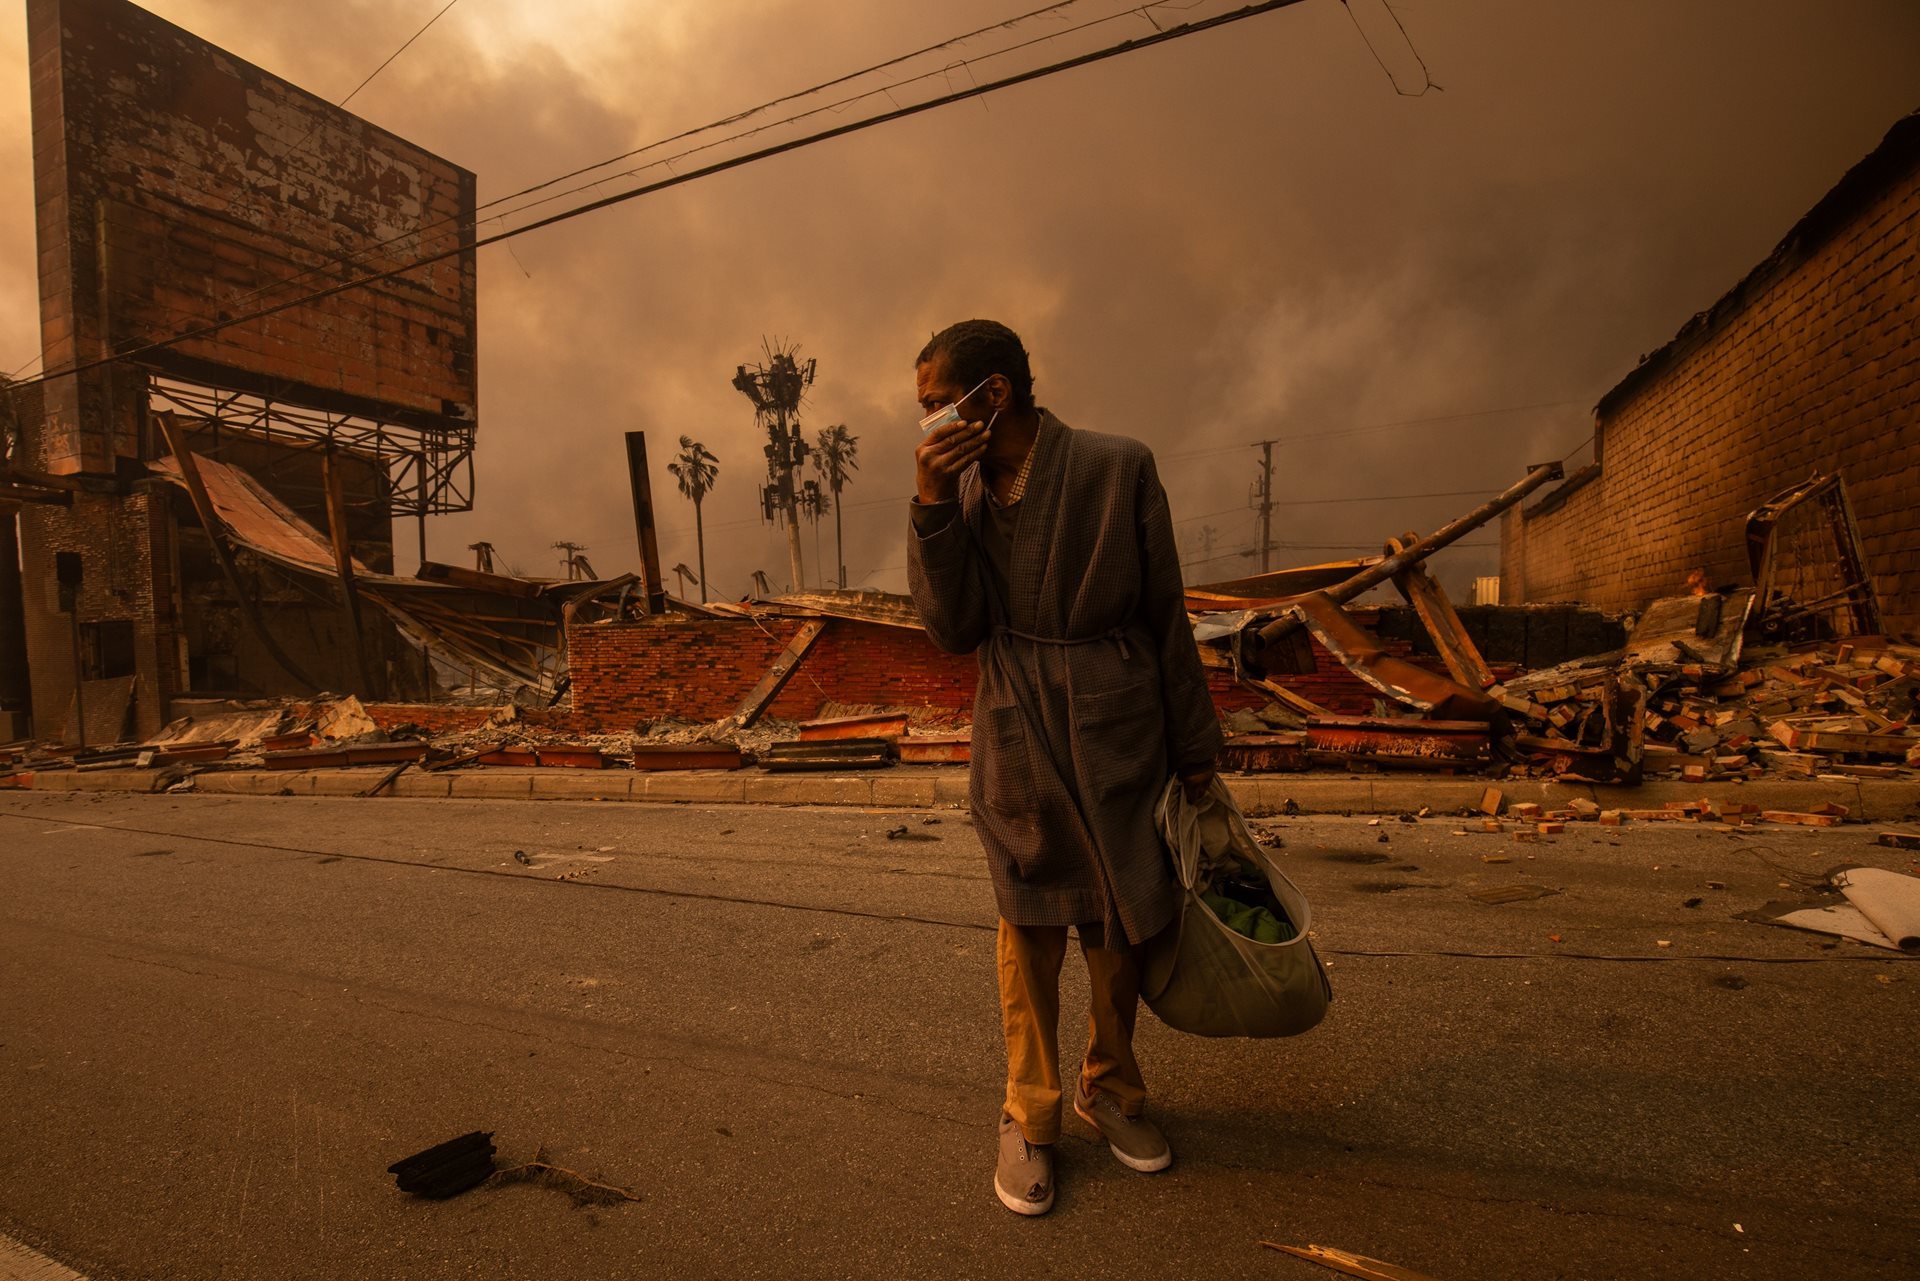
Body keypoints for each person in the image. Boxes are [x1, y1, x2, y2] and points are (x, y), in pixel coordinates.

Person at [906, 319, 1222, 1216]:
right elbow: (951, 629)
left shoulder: (1119, 467)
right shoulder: (960, 494)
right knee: (1028, 929)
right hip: (1016, 724)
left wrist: (1194, 748)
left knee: (1120, 930)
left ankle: (1111, 1090)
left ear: (992, 393)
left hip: (1117, 721)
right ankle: (1029, 1115)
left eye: (937, 404)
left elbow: (1165, 613)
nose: (929, 424)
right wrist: (930, 505)